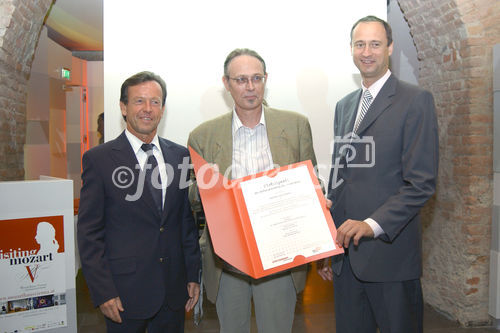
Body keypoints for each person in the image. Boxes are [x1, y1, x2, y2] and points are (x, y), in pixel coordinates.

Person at [317, 16, 439, 333]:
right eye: (360, 44)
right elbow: (342, 178)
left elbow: (421, 184)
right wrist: (328, 240)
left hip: (391, 258)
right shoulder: (344, 106)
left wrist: (371, 225)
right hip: (347, 261)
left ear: (390, 48)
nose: (367, 52)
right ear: (351, 49)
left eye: (375, 44)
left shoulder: (415, 100)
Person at [188, 48, 318, 333]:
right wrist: (218, 192)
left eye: (256, 78)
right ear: (226, 83)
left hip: (280, 255)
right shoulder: (202, 136)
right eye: (241, 80)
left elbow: (312, 186)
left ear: (265, 79)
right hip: (228, 259)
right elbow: (193, 199)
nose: (250, 87)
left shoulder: (295, 126)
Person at [77, 71, 201, 333]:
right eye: (139, 101)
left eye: (155, 102)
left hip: (172, 292)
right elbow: (89, 234)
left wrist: (192, 274)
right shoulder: (99, 160)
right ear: (123, 107)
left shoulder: (179, 155)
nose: (148, 109)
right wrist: (103, 291)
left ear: (163, 109)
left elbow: (183, 222)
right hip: (123, 295)